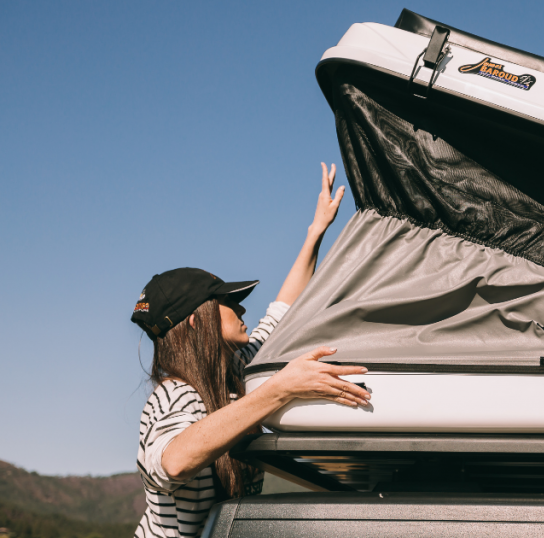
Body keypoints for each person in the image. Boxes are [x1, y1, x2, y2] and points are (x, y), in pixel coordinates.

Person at [130, 163, 371, 538]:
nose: (243, 309)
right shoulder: (174, 395)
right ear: (197, 320)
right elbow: (174, 463)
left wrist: (315, 232)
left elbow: (282, 309)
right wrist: (279, 390)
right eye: (229, 302)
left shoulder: (238, 367)